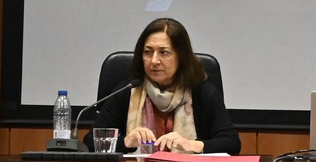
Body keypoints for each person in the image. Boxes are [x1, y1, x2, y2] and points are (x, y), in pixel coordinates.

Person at [91, 17, 240, 154]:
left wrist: (193, 145)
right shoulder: (128, 91)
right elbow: (91, 141)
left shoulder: (202, 93)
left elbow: (231, 143)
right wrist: (125, 142)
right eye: (148, 52)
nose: (154, 61)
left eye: (164, 53)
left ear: (181, 57)